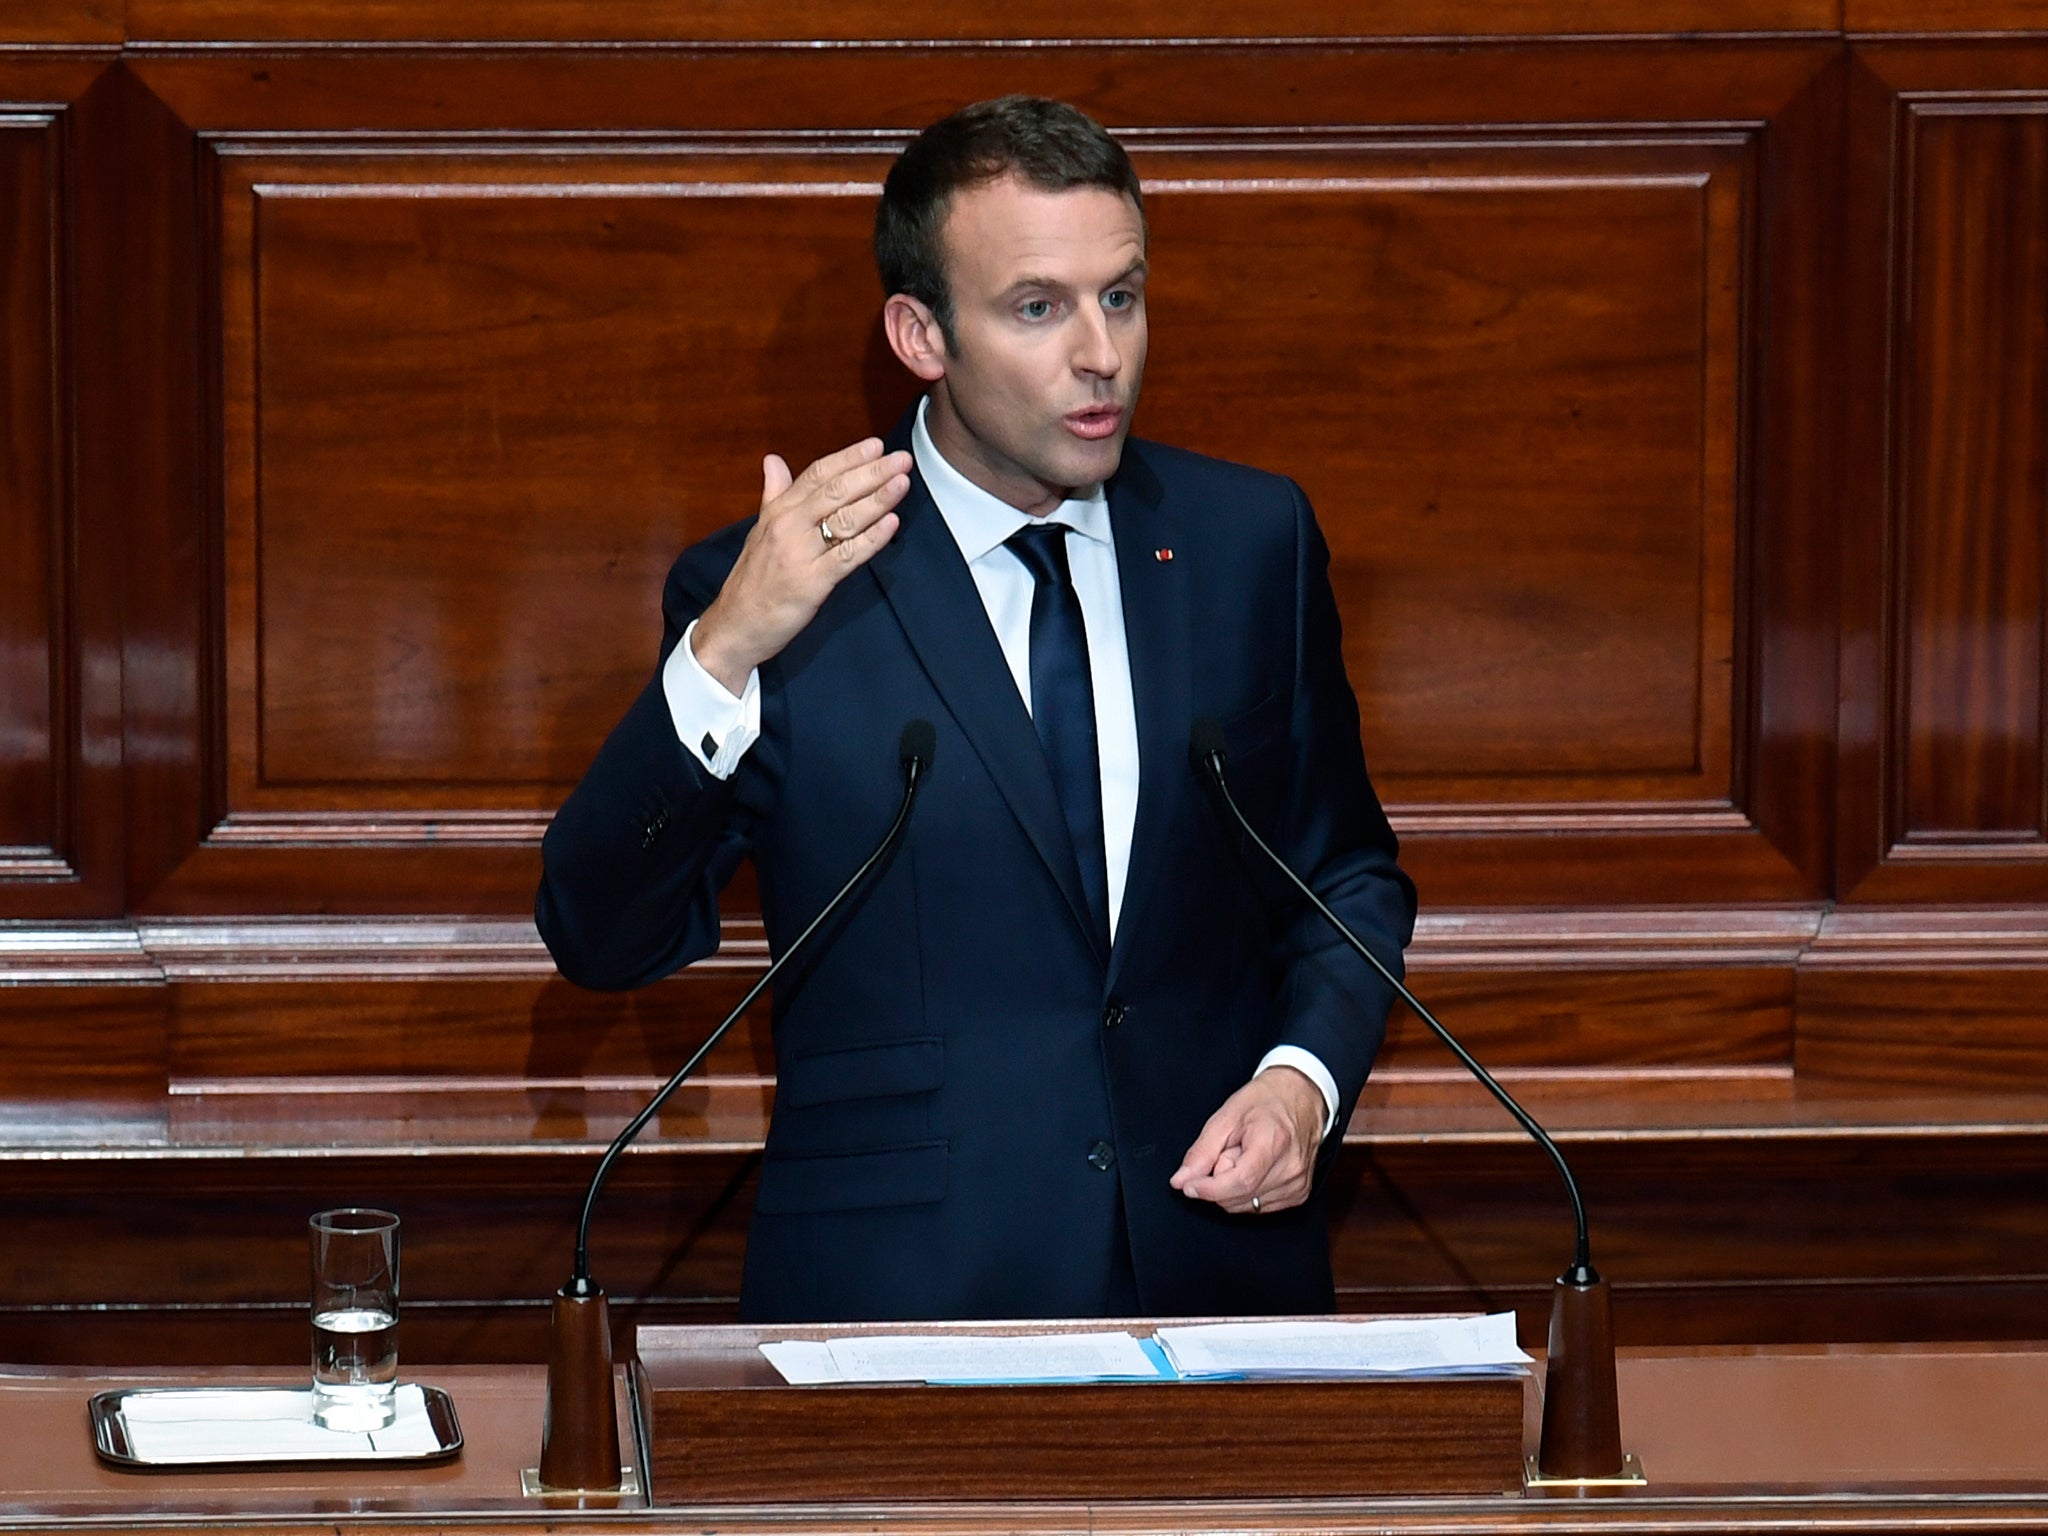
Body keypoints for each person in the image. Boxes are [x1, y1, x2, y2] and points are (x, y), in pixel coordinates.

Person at [537, 95, 1416, 1322]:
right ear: (920, 334)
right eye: (1037, 308)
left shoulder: (1244, 544)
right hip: (899, 1302)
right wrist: (725, 647)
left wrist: (1298, 1083)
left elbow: (1343, 874)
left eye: (1121, 295)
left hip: (1212, 1277)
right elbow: (601, 936)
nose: (1100, 353)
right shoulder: (788, 590)